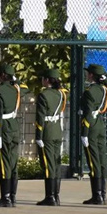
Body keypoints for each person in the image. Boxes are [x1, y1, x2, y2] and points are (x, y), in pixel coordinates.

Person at [0, 63, 29, 208]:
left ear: (3, 75)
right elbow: (26, 87)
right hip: (14, 127)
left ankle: (5, 197)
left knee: (4, 163)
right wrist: (15, 79)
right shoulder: (16, 89)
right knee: (13, 163)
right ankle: (12, 196)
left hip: (4, 128)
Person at [80, 63, 107, 205]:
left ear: (92, 75)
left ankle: (97, 196)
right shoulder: (104, 89)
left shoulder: (90, 91)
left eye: (88, 73)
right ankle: (103, 194)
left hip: (91, 126)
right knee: (102, 159)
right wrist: (104, 80)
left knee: (93, 161)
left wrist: (84, 133)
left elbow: (87, 113)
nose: (87, 75)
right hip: (99, 124)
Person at [35, 68, 66, 206]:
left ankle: (50, 197)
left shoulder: (43, 95)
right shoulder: (61, 94)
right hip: (57, 131)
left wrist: (38, 136)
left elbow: (40, 117)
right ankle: (56, 196)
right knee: (56, 164)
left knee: (48, 164)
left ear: (47, 80)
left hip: (47, 131)